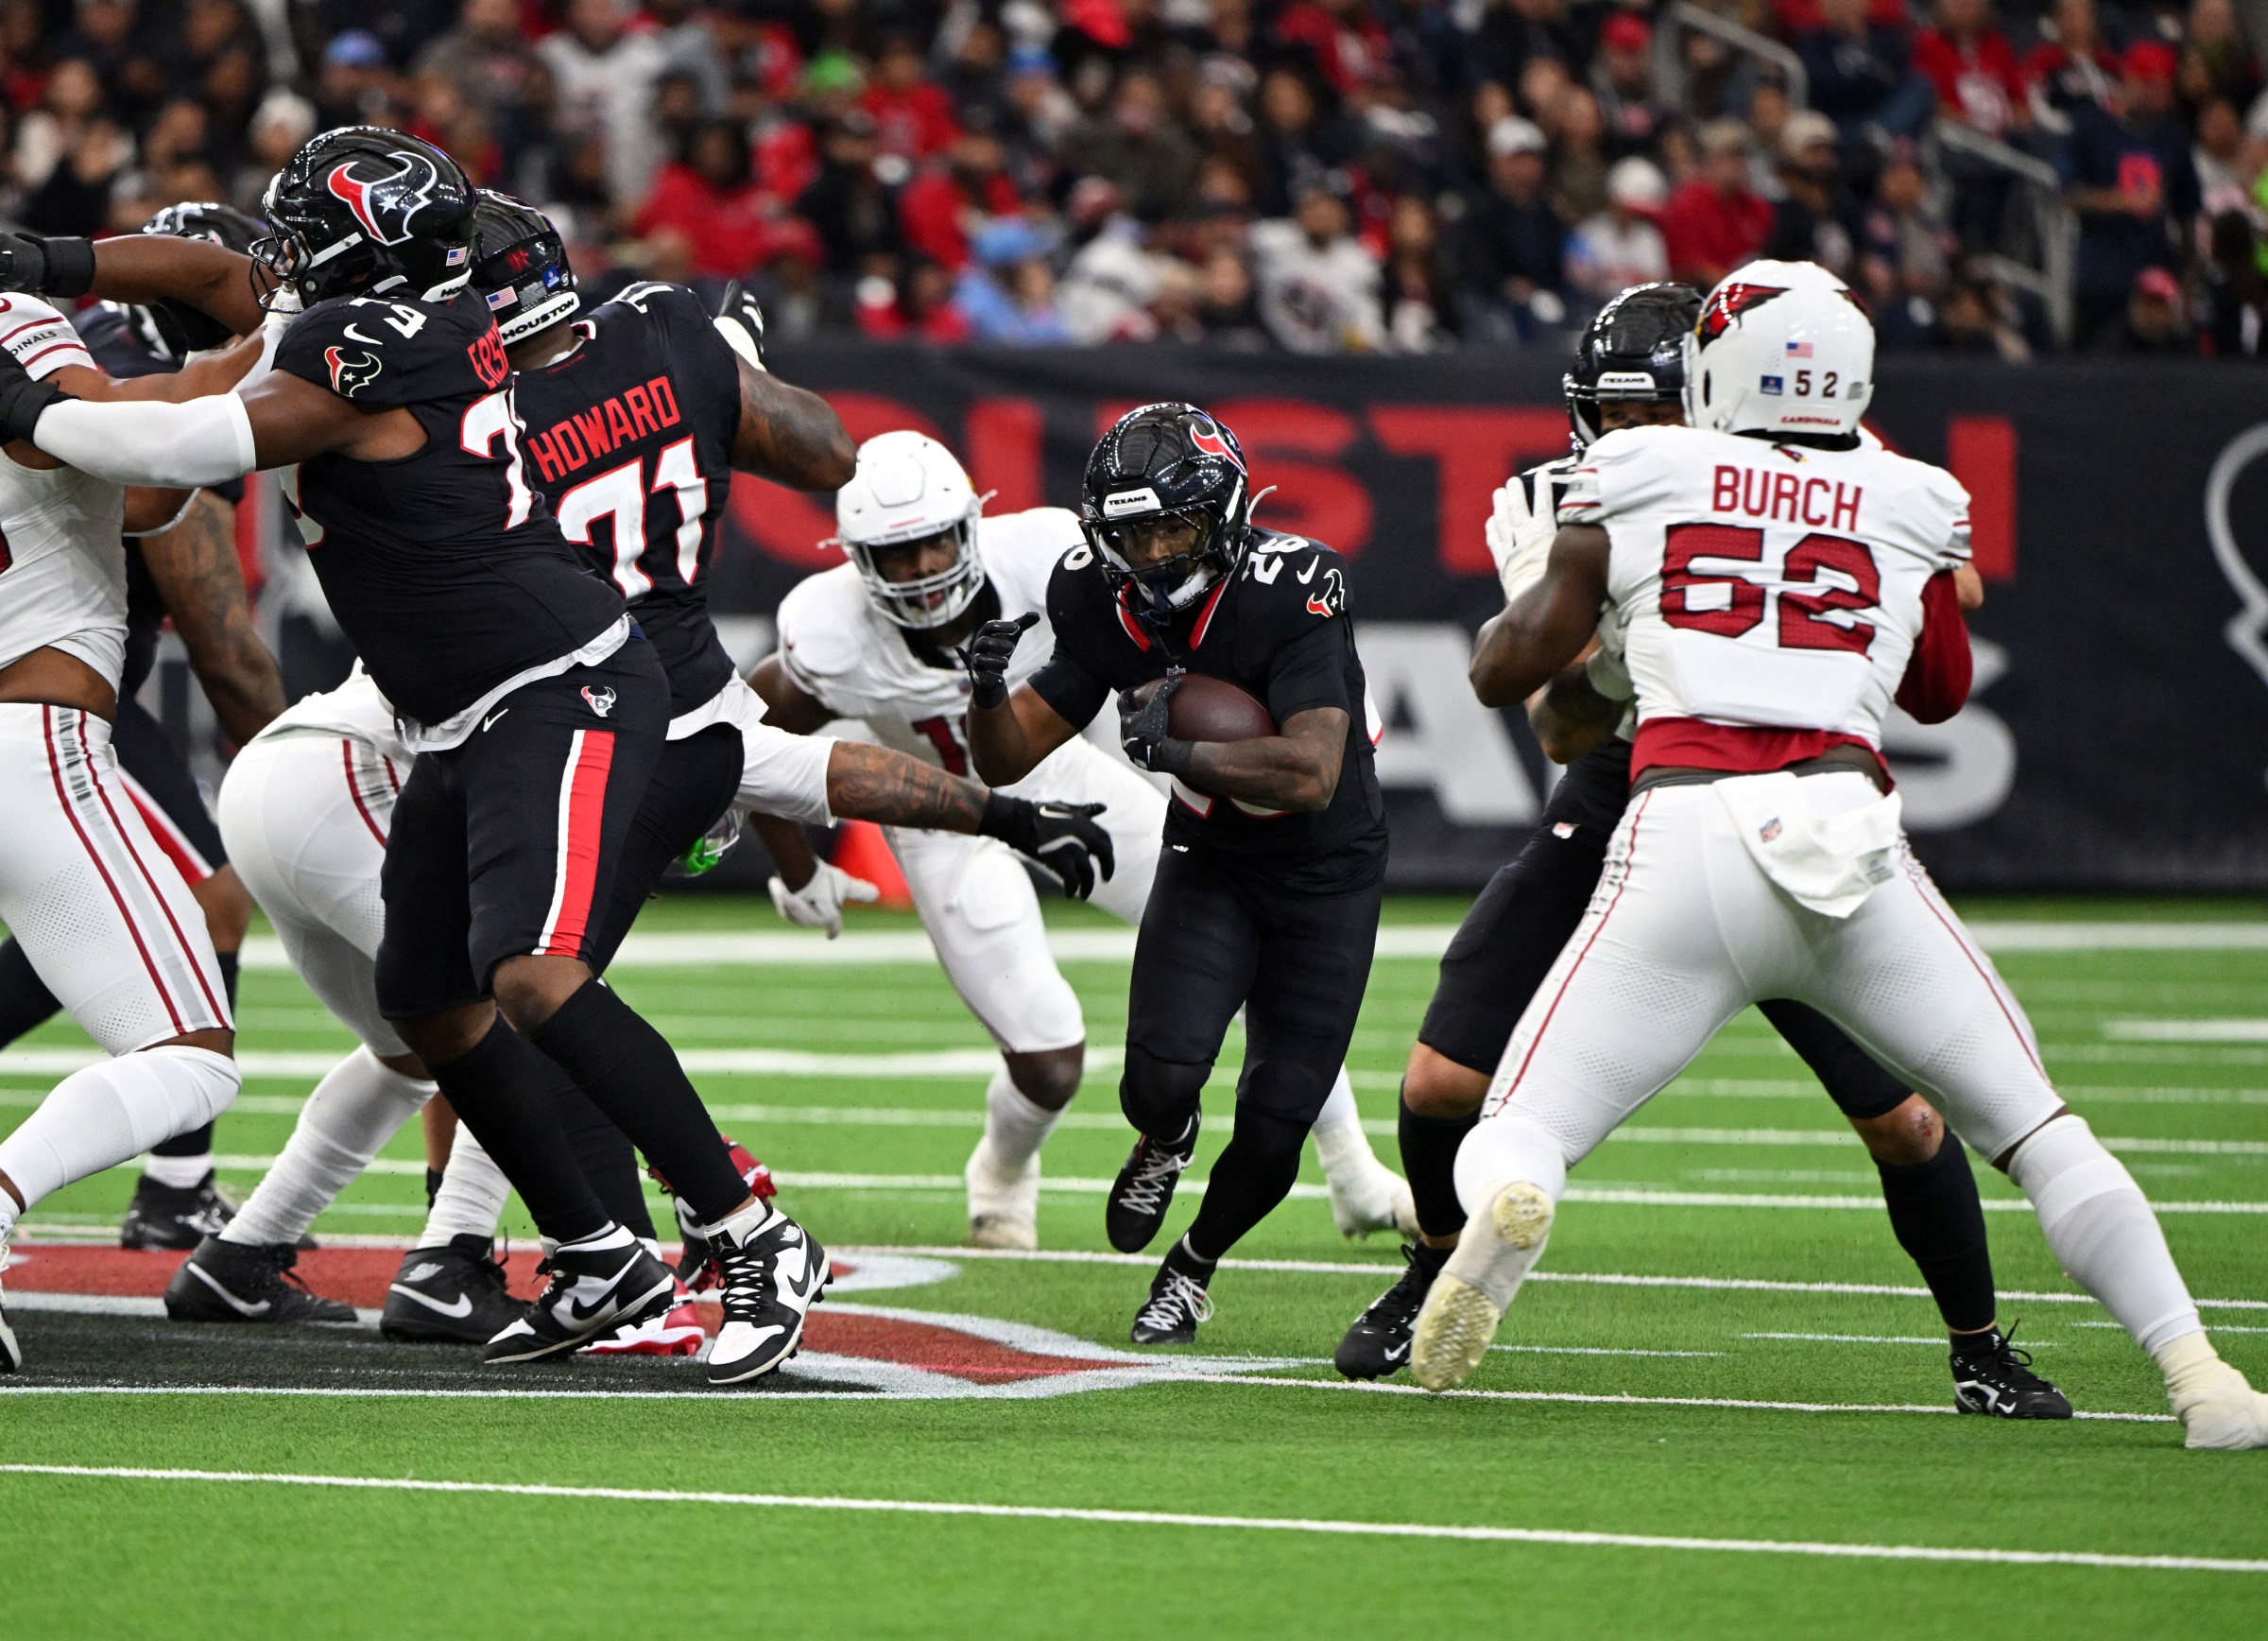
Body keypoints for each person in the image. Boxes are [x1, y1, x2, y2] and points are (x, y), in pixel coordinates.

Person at [159, 190, 1120, 1360]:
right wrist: (726, 370)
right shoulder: (660, 339)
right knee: (475, 995)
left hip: (522, 711)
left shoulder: (447, 381)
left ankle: (669, 1240)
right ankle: (595, 1247)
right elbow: (819, 466)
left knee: (512, 992)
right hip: (570, 707)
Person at [0, 128, 822, 1381]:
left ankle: (751, 1237)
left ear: (361, 252)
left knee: (535, 979)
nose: (278, 255)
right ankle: (602, 1254)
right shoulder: (406, 308)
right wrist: (55, 257)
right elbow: (226, 278)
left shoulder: (372, 347)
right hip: (460, 706)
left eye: (302, 231)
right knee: (431, 1003)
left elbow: (172, 448)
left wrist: (28, 397)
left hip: (557, 683)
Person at [1406, 259, 2267, 1451]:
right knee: (2036, 1128)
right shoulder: (1915, 492)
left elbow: (1509, 677)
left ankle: (1521, 1208)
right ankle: (2201, 1375)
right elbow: (1944, 690)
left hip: (1687, 829)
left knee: (1527, 1121)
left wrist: (1555, 587)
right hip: (1846, 837)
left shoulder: (1636, 467)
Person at [1332, 284, 2068, 1421]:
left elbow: (1953, 582)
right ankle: (1434, 1268)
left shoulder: (1795, 474)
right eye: (1611, 418)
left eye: (1653, 418)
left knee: (1906, 1117)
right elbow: (1559, 726)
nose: (1627, 442)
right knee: (1439, 1080)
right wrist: (1618, 652)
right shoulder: (1553, 499)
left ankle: (1979, 1345)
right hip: (1629, 779)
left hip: (1777, 798)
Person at [754, 430, 1412, 1252]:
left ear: (970, 525)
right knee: (1048, 1055)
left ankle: (1351, 1167)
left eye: (933, 543)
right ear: (855, 559)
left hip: (1069, 782)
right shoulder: (828, 632)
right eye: (896, 554)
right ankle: (999, 1169)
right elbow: (753, 738)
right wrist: (795, 865)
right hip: (941, 821)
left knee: (1244, 950)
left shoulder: (1049, 557)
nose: (923, 570)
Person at [964, 404, 1393, 1346]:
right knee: (1156, 1080)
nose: (1154, 551)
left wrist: (1179, 753)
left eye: (1173, 525)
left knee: (1280, 1120)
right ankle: (1167, 1137)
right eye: (1133, 531)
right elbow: (1006, 757)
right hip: (1212, 860)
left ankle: (1193, 1264)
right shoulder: (1095, 597)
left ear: (1225, 511)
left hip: (1328, 870)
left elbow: (1313, 772)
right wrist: (986, 692)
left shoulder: (1294, 581)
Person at [0, 201, 285, 1252]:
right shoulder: (26, 324)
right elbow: (123, 442)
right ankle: (158, 1186)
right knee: (190, 1049)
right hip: (32, 732)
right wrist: (282, 346)